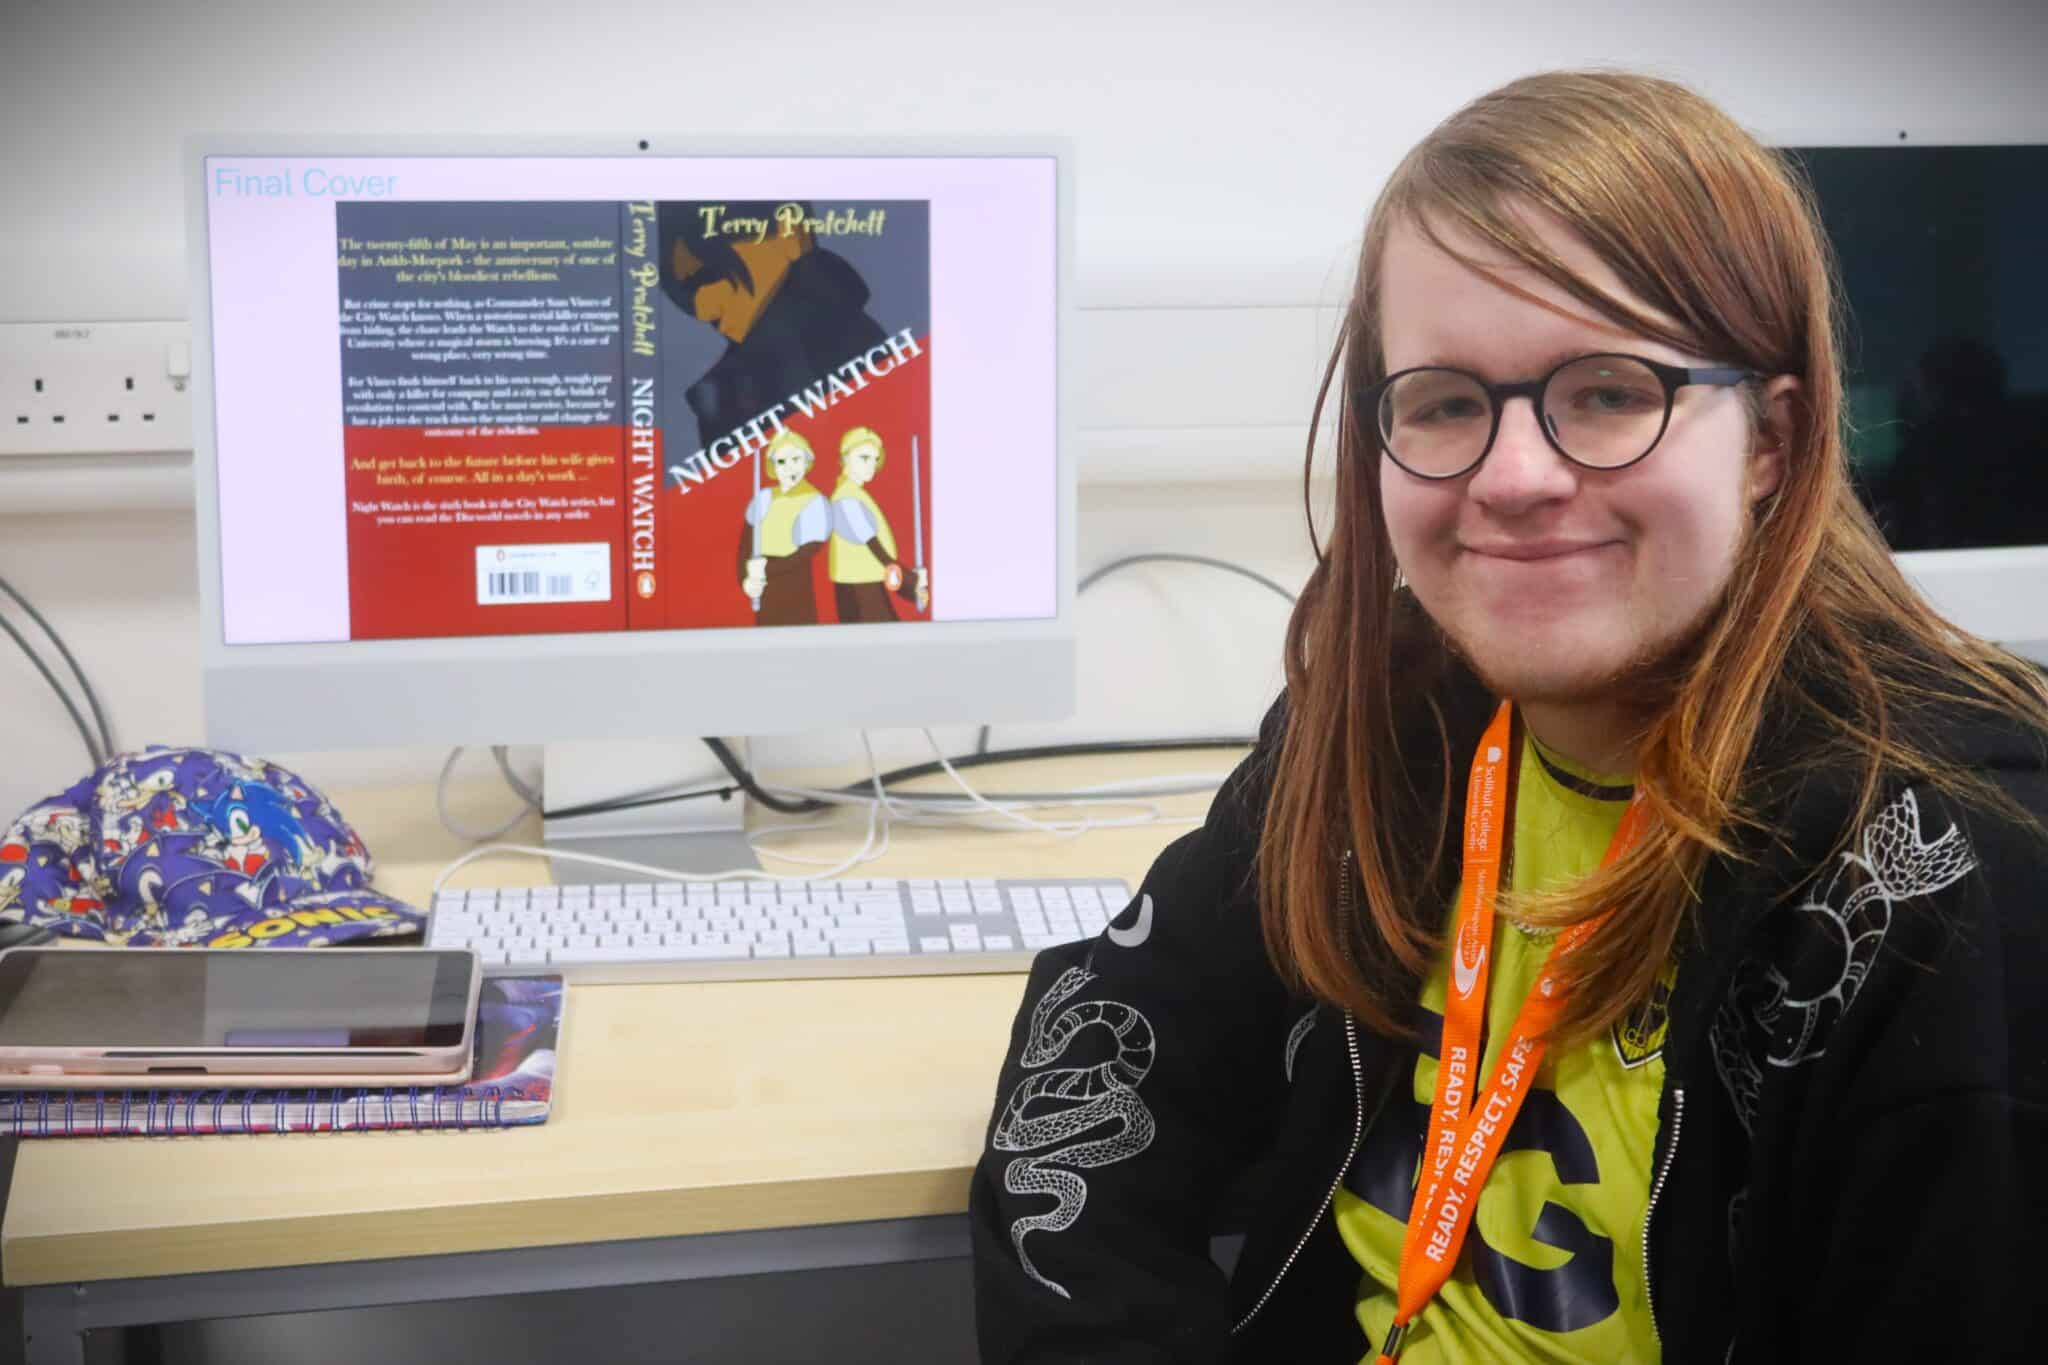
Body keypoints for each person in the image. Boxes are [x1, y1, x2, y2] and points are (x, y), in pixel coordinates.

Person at [969, 70, 2048, 1364]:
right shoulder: (1392, 725)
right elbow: (1112, 1029)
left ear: (1771, 441)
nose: (1516, 476)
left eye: (1609, 391)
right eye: (1445, 403)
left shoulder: (1941, 882)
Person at [827, 425, 929, 621]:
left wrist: (910, 584)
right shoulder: (846, 499)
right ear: (845, 458)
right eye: (864, 458)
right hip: (859, 588)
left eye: (874, 460)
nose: (871, 466)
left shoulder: (856, 494)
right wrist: (911, 583)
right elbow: (876, 550)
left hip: (868, 583)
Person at [738, 428, 830, 625]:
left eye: (796, 459)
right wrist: (746, 580)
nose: (790, 468)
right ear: (773, 467)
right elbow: (745, 546)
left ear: (806, 461)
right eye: (781, 462)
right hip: (763, 584)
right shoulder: (762, 498)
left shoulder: (815, 501)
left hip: (795, 584)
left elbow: (806, 553)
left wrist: (767, 569)